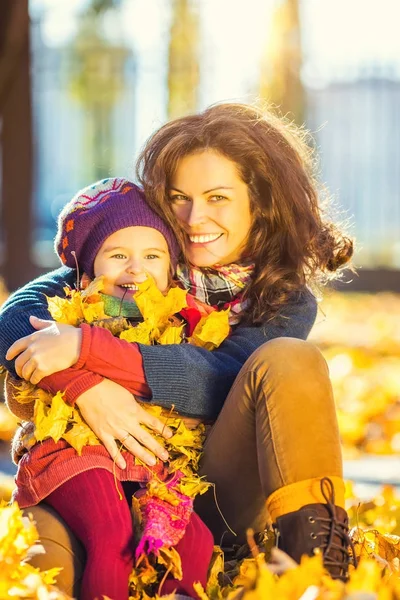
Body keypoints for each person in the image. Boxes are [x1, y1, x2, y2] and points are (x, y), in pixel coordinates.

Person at [0, 103, 354, 594]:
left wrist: (87, 349)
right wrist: (81, 386)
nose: (194, 218)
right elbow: (17, 318)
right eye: (179, 197)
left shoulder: (283, 299)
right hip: (94, 476)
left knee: (290, 359)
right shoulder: (141, 252)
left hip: (211, 493)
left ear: (261, 202)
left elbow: (215, 380)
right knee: (46, 567)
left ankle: (316, 561)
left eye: (217, 198)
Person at [6, 177, 216, 600]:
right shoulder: (63, 313)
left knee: (195, 543)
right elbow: (19, 376)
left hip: (149, 463)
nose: (135, 268)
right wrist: (78, 378)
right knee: (111, 532)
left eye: (152, 255)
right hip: (76, 455)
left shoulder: (181, 320)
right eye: (118, 255)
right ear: (86, 270)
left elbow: (207, 381)